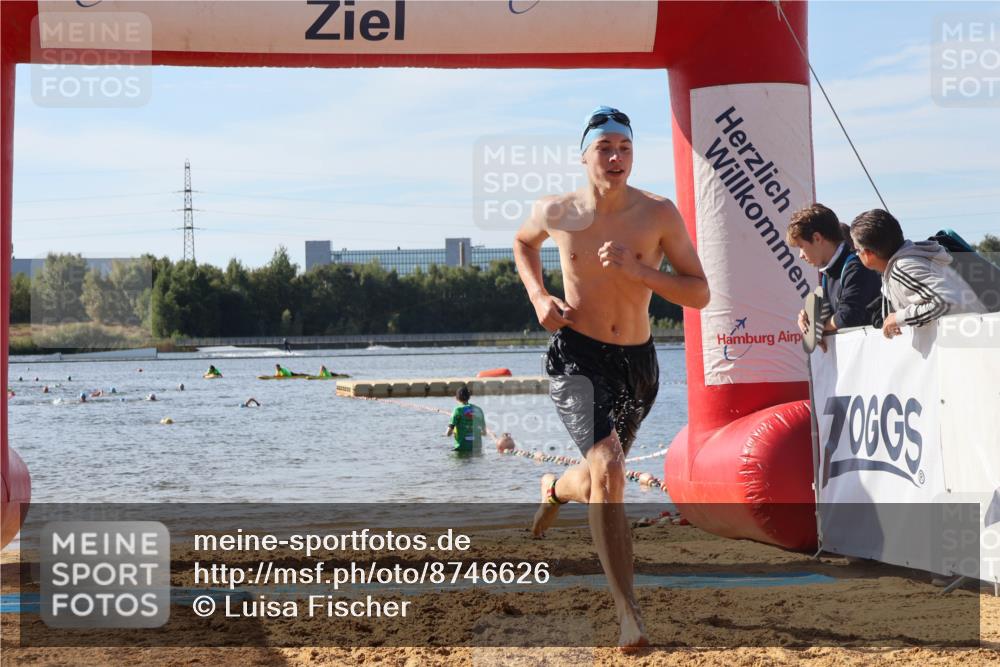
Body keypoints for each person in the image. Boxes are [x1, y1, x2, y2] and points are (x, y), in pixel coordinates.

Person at [512, 105, 709, 651]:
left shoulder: (658, 213)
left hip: (637, 364)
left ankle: (555, 488)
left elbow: (699, 292)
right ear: (584, 156)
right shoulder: (556, 210)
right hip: (576, 356)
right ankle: (629, 614)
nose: (616, 157)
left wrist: (639, 270)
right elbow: (523, 243)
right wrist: (539, 296)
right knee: (610, 465)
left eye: (624, 147)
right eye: (605, 148)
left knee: (606, 476)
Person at [849, 209, 987, 339]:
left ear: (868, 254)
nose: (857, 254)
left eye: (857, 250)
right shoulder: (912, 260)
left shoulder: (903, 268)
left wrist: (899, 318)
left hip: (969, 342)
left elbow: (946, 302)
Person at [787, 204, 881, 348]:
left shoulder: (856, 266)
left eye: (801, 246)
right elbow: (833, 315)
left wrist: (817, 328)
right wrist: (808, 319)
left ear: (817, 238)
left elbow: (848, 316)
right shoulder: (828, 271)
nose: (800, 255)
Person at [445, 386, 486, 452]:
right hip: (477, 448)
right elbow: (484, 433)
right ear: (469, 397)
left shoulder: (457, 410)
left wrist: (454, 432)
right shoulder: (478, 409)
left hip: (462, 448)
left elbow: (448, 434)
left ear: (456, 398)